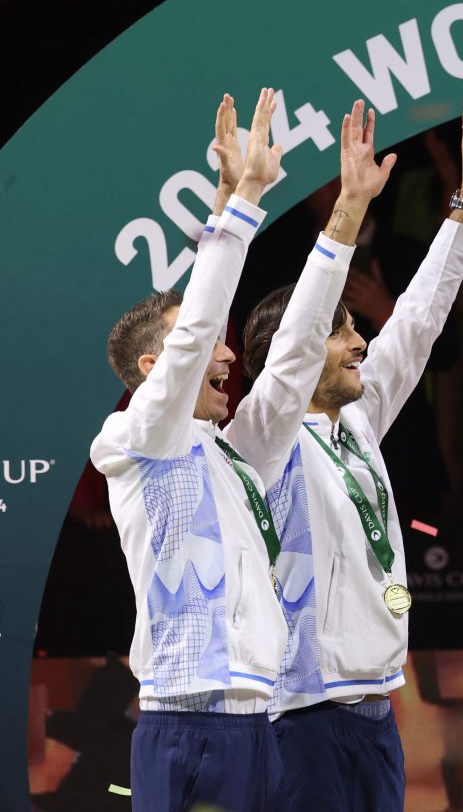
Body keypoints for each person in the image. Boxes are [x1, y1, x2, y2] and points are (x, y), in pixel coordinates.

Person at [235, 93, 463, 811]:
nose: (360, 342)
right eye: (339, 331)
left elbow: (417, 321)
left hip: (377, 708)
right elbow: (294, 350)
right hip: (301, 714)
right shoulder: (263, 440)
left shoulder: (359, 422)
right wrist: (345, 212)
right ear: (290, 357)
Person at [92, 91, 288, 812]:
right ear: (155, 370)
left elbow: (217, 327)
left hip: (257, 716)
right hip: (187, 719)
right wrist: (241, 209)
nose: (229, 353)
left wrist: (225, 199)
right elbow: (198, 318)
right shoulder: (143, 435)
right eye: (201, 346)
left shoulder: (224, 455)